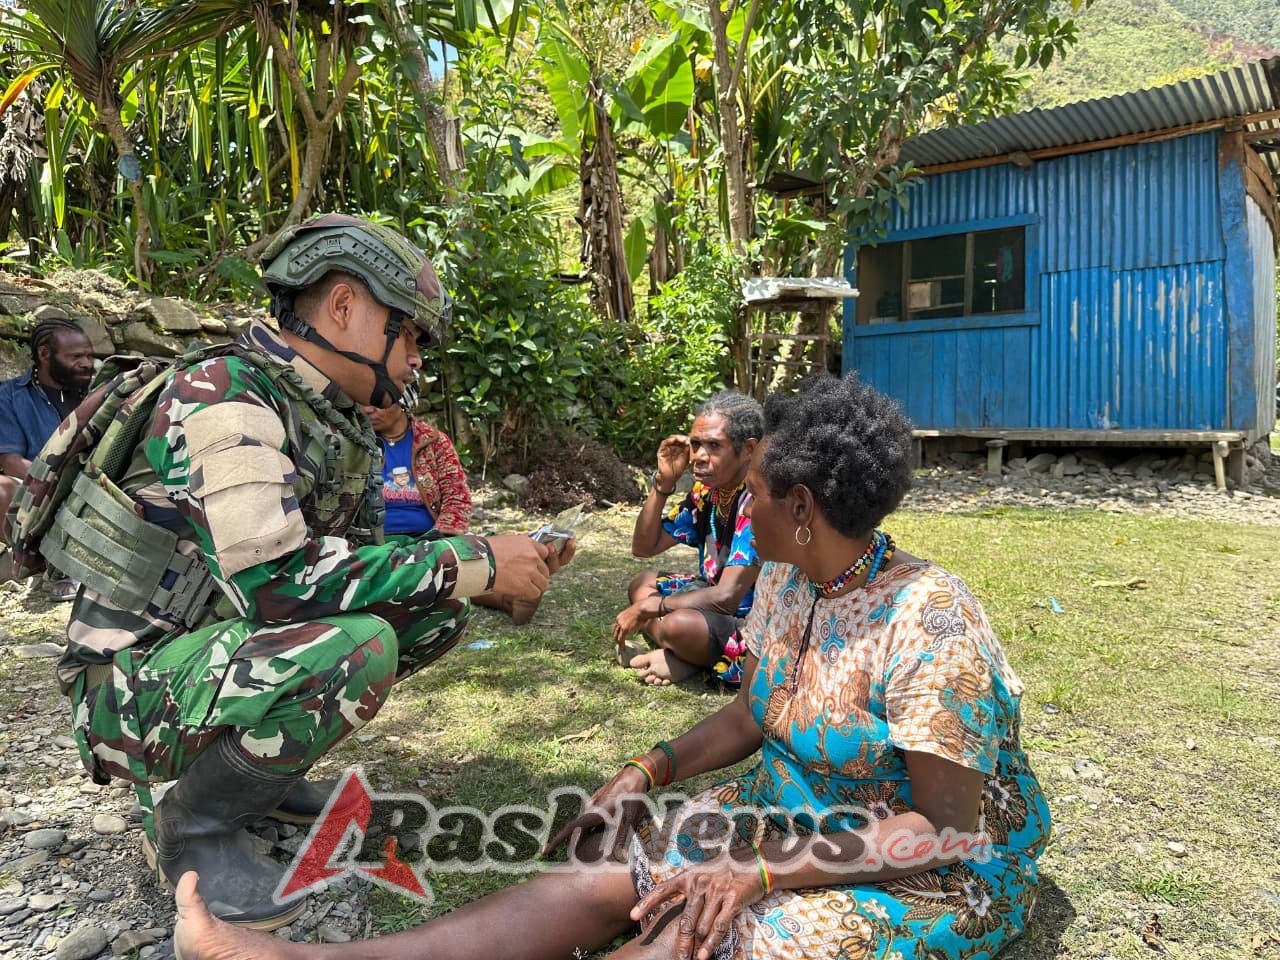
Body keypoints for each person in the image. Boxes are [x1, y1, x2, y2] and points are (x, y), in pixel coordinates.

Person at [172, 372, 1049, 960]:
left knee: (697, 925)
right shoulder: (790, 579)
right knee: (610, 874)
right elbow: (754, 714)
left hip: (922, 866)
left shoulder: (932, 620)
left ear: (805, 507)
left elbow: (943, 828)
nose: (742, 498)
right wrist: (645, 769)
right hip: (794, 810)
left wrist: (757, 871)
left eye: (758, 489)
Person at [54, 214, 570, 930]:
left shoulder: (321, 414)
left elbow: (365, 565)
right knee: (360, 647)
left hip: (207, 655)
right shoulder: (225, 393)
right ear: (344, 305)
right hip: (124, 693)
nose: (417, 356)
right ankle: (190, 823)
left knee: (431, 613)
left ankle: (258, 782)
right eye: (411, 332)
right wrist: (472, 560)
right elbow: (278, 584)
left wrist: (493, 573)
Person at [612, 391, 763, 687]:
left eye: (714, 446)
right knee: (642, 583)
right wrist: (664, 483)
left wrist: (650, 609)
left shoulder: (757, 503)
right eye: (696, 444)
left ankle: (684, 656)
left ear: (747, 450)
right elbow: (644, 547)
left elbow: (727, 597)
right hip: (711, 600)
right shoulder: (707, 493)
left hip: (752, 622)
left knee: (678, 624)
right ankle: (684, 654)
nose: (699, 456)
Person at [363, 396, 543, 623]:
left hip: (428, 540)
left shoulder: (434, 442)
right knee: (404, 572)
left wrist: (442, 538)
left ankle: (509, 598)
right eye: (364, 402)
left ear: (403, 404)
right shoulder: (358, 443)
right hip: (376, 543)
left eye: (377, 402)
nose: (367, 409)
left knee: (466, 556)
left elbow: (457, 497)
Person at [0, 318, 94, 595]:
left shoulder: (102, 391)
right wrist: (57, 482)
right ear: (44, 354)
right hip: (35, 490)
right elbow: (10, 463)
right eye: (76, 356)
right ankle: (40, 565)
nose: (87, 363)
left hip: (99, 483)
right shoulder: (9, 397)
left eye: (90, 356)